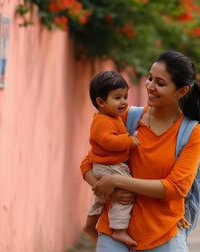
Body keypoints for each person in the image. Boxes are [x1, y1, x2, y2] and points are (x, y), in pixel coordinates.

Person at [80, 51, 200, 251]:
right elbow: (88, 164)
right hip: (114, 232)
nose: (150, 86)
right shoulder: (127, 119)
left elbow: (176, 188)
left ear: (182, 91)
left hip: (163, 237)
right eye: (150, 78)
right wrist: (106, 191)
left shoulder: (192, 132)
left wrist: (118, 181)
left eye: (160, 83)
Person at [82, 71, 140, 246]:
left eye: (125, 96)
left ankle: (90, 224)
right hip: (110, 166)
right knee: (126, 194)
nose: (123, 101)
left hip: (106, 165)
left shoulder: (112, 117)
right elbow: (108, 141)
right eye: (117, 97)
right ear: (101, 102)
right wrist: (130, 140)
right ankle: (119, 229)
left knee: (101, 197)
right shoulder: (102, 121)